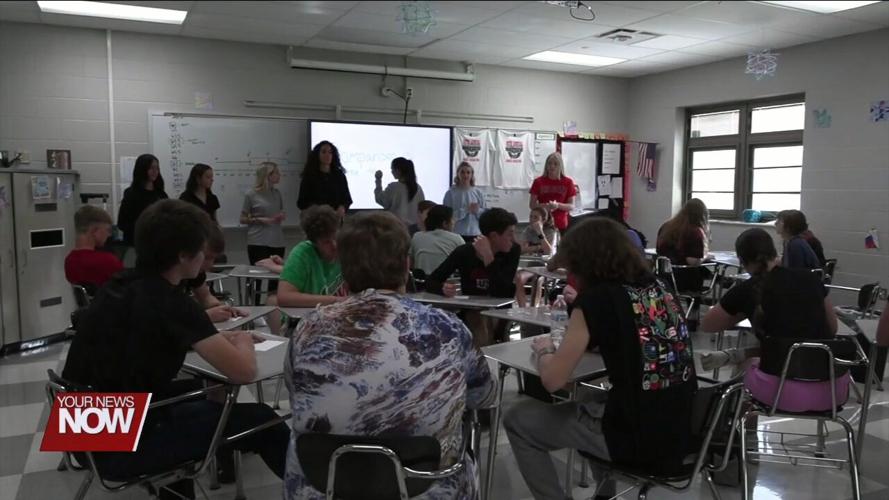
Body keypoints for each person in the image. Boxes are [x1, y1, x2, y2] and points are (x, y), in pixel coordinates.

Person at [62, 200, 288, 500]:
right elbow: (244, 371)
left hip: (81, 429)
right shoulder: (173, 302)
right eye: (202, 251)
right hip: (117, 443)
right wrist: (244, 341)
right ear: (184, 256)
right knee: (263, 419)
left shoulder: (120, 284)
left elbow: (149, 333)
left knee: (203, 386)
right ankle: (319, 490)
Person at [283, 211, 496, 500]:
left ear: (344, 269)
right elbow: (483, 395)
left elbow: (297, 394)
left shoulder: (308, 327)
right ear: (407, 265)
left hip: (324, 486)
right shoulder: (447, 328)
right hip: (427, 486)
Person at [504, 218, 696, 500]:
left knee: (518, 420)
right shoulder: (660, 287)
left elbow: (553, 381)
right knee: (591, 402)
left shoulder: (596, 300)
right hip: (682, 432)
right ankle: (604, 495)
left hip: (635, 439)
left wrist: (544, 349)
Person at [700, 228, 842, 412]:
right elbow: (833, 328)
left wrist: (739, 313)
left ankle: (740, 433)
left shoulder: (748, 290)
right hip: (830, 390)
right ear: (775, 252)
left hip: (780, 392)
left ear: (743, 261)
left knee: (746, 368)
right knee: (777, 351)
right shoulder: (811, 279)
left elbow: (708, 325)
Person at [426, 207, 520, 346]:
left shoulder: (513, 251)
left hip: (500, 311)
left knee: (485, 323)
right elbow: (431, 281)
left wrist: (488, 257)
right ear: (494, 236)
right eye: (510, 234)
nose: (514, 239)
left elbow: (502, 291)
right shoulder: (465, 252)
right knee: (478, 322)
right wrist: (442, 288)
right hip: (472, 310)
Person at [275, 205, 348, 308]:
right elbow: (284, 297)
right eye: (326, 242)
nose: (334, 245)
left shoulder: (346, 249)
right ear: (314, 243)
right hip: (304, 318)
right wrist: (335, 300)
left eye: (336, 237)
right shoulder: (303, 253)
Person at [180, 222, 247, 323]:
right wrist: (206, 316)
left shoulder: (195, 272)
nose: (210, 265)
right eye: (207, 257)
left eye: (213, 258)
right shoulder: (158, 279)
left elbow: (206, 297)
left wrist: (223, 309)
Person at [240, 162, 286, 299]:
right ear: (267, 175)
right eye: (276, 173)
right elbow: (242, 219)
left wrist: (281, 216)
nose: (279, 175)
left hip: (277, 240)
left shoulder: (277, 193)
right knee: (256, 277)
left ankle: (272, 309)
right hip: (258, 241)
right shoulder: (251, 194)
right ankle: (253, 306)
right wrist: (260, 220)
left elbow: (280, 211)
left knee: (275, 279)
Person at [656, 197, 712, 292]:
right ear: (702, 215)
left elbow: (659, 250)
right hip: (683, 280)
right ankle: (719, 280)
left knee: (701, 270)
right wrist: (706, 256)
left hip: (663, 277)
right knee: (699, 269)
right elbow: (693, 262)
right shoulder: (695, 232)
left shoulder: (666, 226)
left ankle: (718, 278)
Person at [65, 205, 124, 291]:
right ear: (94, 231)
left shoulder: (69, 260)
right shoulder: (108, 261)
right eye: (107, 230)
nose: (109, 235)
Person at [117, 153, 168, 248]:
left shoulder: (161, 194)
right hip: (137, 244)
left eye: (157, 168)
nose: (155, 171)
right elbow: (122, 223)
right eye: (151, 168)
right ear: (142, 169)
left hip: (158, 244)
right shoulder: (131, 194)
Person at [513, 207, 557, 307]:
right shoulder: (528, 230)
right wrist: (538, 247)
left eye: (535, 217)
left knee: (537, 279)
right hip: (531, 264)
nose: (532, 220)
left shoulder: (551, 231)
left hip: (546, 266)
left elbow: (548, 251)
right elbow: (522, 249)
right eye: (530, 216)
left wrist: (540, 233)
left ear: (543, 219)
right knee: (518, 277)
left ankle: (534, 307)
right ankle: (523, 308)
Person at [296, 141, 352, 217]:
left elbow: (347, 199)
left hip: (335, 220)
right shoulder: (309, 176)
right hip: (315, 220)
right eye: (324, 152)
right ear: (317, 155)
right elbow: (301, 202)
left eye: (330, 152)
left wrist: (343, 207)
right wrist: (317, 210)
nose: (327, 155)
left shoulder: (339, 176)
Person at [410, 204, 465, 276]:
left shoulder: (417, 236)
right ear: (444, 223)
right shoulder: (456, 239)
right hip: (446, 283)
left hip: (421, 282)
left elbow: (411, 262)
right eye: (452, 219)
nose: (453, 222)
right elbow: (465, 264)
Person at [529, 152, 576, 234]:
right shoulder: (538, 182)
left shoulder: (568, 182)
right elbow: (532, 205)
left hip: (561, 224)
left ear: (560, 166)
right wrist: (545, 206)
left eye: (555, 164)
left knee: (561, 246)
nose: (552, 166)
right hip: (542, 224)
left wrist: (557, 205)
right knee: (542, 246)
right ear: (546, 165)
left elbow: (571, 206)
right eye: (549, 163)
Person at [443, 161, 486, 243]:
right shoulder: (451, 193)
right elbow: (448, 216)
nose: (465, 175)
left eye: (468, 172)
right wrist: (465, 210)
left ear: (471, 175)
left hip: (475, 233)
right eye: (462, 172)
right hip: (457, 234)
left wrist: (477, 211)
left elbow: (484, 216)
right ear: (458, 174)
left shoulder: (478, 192)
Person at [374, 157, 426, 226]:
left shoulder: (394, 187)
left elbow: (381, 200)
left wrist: (378, 180)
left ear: (398, 170)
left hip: (397, 227)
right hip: (415, 228)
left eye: (392, 169)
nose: (391, 172)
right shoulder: (418, 188)